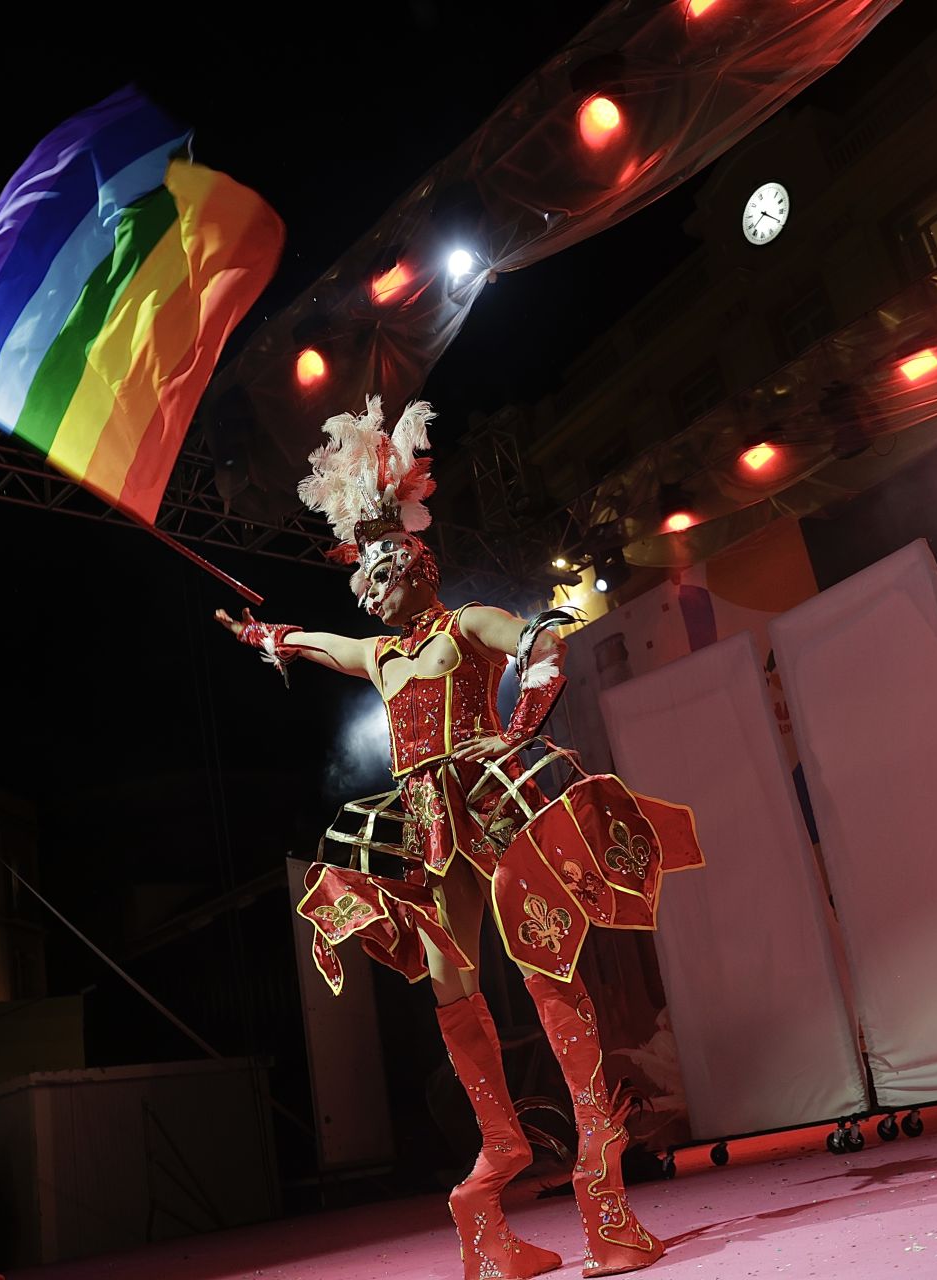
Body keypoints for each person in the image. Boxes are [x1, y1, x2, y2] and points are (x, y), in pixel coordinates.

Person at [216, 396, 703, 1278]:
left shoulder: (462, 624)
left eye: (381, 566)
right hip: (428, 835)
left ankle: (601, 1181)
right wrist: (260, 633)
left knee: (547, 968)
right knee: (452, 991)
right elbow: (316, 643)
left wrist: (522, 717)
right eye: (361, 575)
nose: (368, 585)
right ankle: (494, 1175)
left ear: (418, 561)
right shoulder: (382, 656)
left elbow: (545, 637)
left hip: (492, 808)